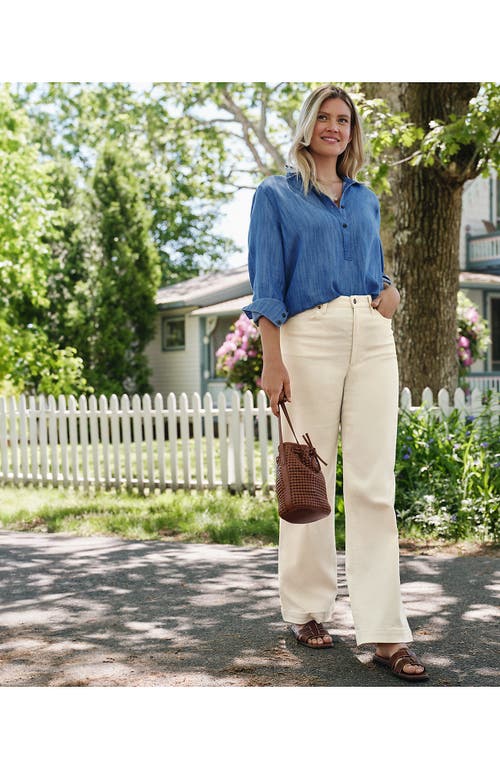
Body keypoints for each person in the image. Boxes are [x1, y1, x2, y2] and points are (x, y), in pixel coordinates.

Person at [242, 84, 429, 682]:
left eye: (343, 119)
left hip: (371, 336)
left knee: (374, 486)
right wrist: (273, 360)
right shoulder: (275, 195)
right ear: (305, 126)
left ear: (352, 132)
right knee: (310, 475)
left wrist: (389, 289)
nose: (334, 127)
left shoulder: (365, 198)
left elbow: (372, 265)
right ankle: (305, 608)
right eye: (323, 117)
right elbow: (267, 283)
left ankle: (385, 634)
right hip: (307, 337)